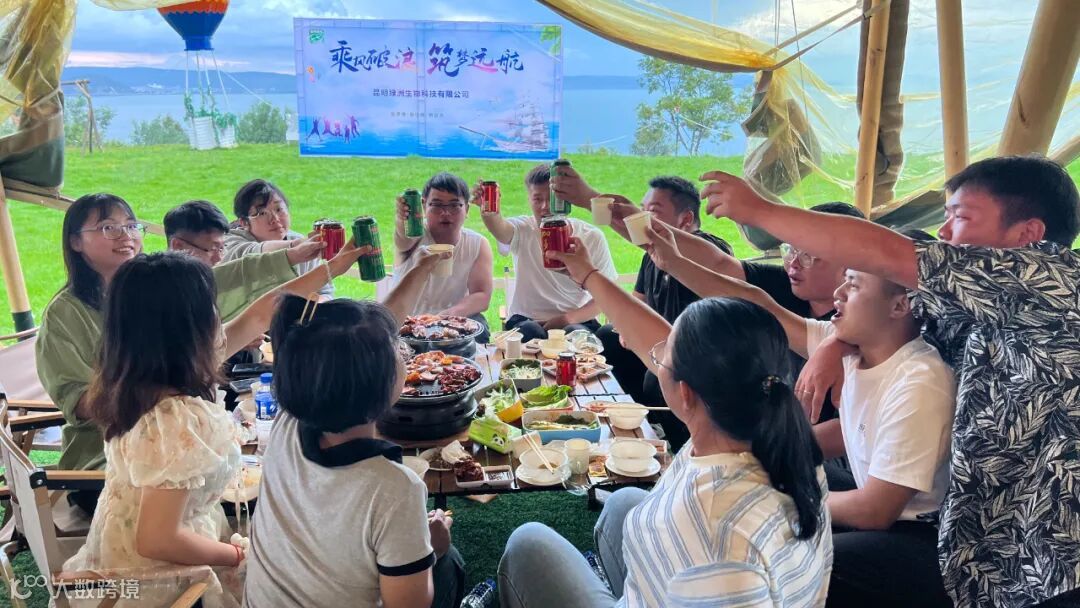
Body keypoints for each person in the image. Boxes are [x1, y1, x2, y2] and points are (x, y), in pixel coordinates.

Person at [702, 155, 1080, 608]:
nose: (943, 233)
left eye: (961, 217)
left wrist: (761, 211)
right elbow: (888, 312)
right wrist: (835, 343)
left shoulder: (1053, 279)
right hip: (981, 548)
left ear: (1028, 235)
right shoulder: (973, 305)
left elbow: (886, 255)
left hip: (1049, 558)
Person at [497, 237, 832, 608]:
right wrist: (588, 274)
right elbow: (652, 336)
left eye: (661, 358)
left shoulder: (716, 533)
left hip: (696, 571)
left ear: (685, 392)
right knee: (624, 500)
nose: (653, 355)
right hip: (679, 582)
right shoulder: (783, 444)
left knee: (528, 542)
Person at [645, 220, 955, 606]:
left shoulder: (920, 380)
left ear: (900, 305)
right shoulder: (856, 345)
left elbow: (876, 510)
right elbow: (760, 307)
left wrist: (782, 498)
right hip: (874, 507)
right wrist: (673, 263)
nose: (839, 292)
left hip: (914, 540)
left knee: (788, 554)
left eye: (854, 284)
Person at [35, 194, 349, 515]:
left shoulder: (149, 291)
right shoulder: (69, 314)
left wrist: (331, 267)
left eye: (131, 225)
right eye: (108, 227)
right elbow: (81, 401)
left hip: (176, 453)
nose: (126, 235)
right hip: (110, 469)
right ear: (75, 241)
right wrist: (172, 398)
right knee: (273, 496)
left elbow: (253, 311)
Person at [61, 249, 341, 607]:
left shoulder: (134, 382)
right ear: (187, 327)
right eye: (210, 305)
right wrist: (238, 556)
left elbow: (260, 314)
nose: (218, 315)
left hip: (120, 554)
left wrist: (335, 266)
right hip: (162, 582)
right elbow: (158, 540)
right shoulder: (176, 419)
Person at [244, 250, 466, 608]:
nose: (403, 351)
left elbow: (362, 341)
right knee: (448, 562)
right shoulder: (395, 489)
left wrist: (421, 268)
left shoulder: (290, 422)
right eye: (396, 349)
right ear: (379, 384)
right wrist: (433, 548)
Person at [475, 163, 617, 343]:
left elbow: (606, 296)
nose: (545, 207)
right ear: (529, 200)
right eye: (537, 199)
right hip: (525, 320)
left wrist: (567, 319)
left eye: (552, 199)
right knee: (530, 331)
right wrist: (488, 211)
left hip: (577, 319)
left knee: (574, 335)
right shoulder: (523, 229)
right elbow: (500, 228)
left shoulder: (591, 236)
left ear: (566, 200)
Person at [391, 171, 494, 342]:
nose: (445, 213)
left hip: (449, 320)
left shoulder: (477, 244)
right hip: (406, 321)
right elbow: (403, 238)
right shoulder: (414, 235)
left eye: (454, 205)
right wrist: (402, 220)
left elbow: (481, 295)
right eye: (437, 205)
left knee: (479, 326)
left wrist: (446, 316)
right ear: (424, 206)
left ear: (467, 209)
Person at [222, 179, 333, 300]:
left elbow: (324, 291)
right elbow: (253, 254)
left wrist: (317, 304)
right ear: (244, 222)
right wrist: (296, 246)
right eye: (262, 213)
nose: (275, 219)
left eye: (279, 209)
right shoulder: (228, 243)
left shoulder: (299, 240)